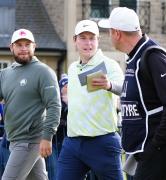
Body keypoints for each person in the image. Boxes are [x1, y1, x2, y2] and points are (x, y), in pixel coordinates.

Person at [98, 7, 166, 180]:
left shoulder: (152, 56)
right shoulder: (135, 57)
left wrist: (156, 144)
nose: (109, 36)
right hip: (147, 150)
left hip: (160, 149)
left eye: (109, 32)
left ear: (117, 33)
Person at [57, 19, 125, 180]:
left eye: (92, 38)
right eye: (83, 38)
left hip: (103, 143)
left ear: (98, 40)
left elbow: (127, 89)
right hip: (72, 143)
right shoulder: (73, 68)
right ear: (75, 40)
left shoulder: (110, 65)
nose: (88, 43)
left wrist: (109, 85)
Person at [0, 28, 61, 180]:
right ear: (11, 47)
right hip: (14, 140)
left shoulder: (44, 72)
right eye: (19, 45)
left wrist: (47, 137)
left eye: (27, 44)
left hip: (31, 140)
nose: (23, 49)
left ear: (34, 46)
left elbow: (54, 106)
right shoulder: (5, 73)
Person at [45, 74, 68, 180]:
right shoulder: (55, 101)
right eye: (65, 85)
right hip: (54, 141)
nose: (67, 88)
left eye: (69, 85)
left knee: (66, 169)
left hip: (67, 142)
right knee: (53, 168)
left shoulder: (75, 101)